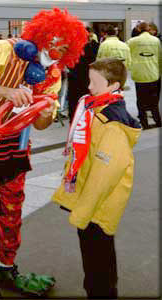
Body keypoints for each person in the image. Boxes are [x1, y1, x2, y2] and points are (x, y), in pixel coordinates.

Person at [0, 7, 87, 299]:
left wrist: (44, 111)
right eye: (55, 41)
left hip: (15, 142)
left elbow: (41, 124)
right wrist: (7, 92)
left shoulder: (53, 74)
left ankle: (6, 265)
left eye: (65, 48)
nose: (57, 51)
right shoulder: (0, 50)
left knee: (12, 207)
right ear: (41, 34)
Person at [52, 58, 141, 299]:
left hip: (98, 207)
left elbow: (104, 176)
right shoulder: (97, 110)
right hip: (94, 204)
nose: (89, 87)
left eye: (94, 82)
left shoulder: (111, 124)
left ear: (112, 85)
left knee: (98, 263)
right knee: (96, 259)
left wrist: (82, 211)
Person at [127, 22, 162, 129]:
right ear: (148, 29)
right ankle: (158, 122)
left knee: (141, 101)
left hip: (139, 75)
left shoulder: (132, 41)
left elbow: (127, 56)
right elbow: (160, 58)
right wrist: (159, 71)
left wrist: (129, 67)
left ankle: (144, 123)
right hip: (153, 73)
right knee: (154, 100)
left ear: (138, 29)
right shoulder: (156, 40)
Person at [67, 26, 99, 122]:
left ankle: (73, 118)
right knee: (87, 97)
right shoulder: (94, 45)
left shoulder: (72, 46)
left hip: (74, 76)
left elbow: (68, 62)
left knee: (74, 100)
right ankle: (87, 116)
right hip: (89, 76)